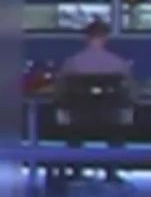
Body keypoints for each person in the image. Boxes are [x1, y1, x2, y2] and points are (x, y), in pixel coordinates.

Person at [55, 19, 133, 183]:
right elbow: (129, 93)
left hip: (78, 123)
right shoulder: (119, 64)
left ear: (86, 38)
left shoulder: (72, 63)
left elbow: (60, 92)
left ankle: (77, 171)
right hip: (110, 122)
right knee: (119, 122)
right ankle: (111, 173)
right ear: (106, 38)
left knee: (71, 125)